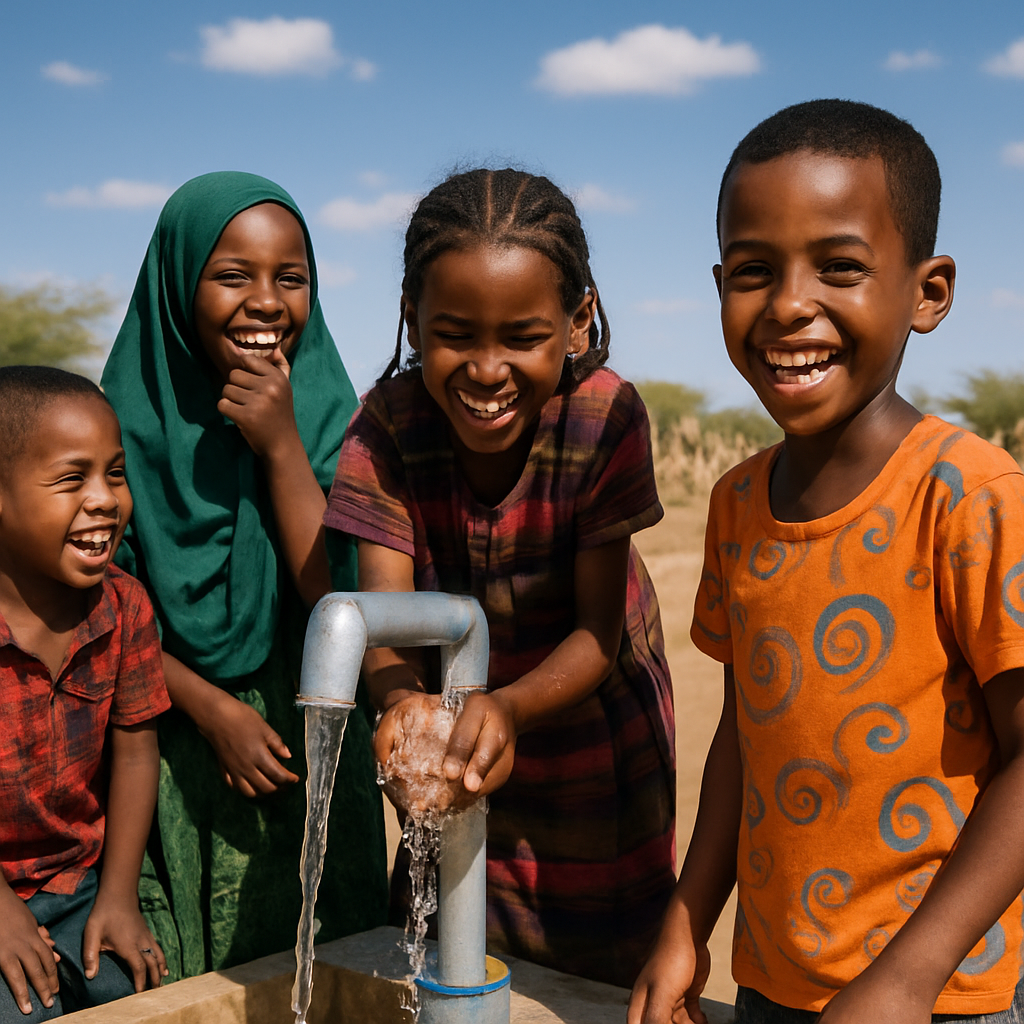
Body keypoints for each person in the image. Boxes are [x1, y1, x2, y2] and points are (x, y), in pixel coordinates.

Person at [628, 99, 1024, 1024]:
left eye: (839, 268)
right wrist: (689, 920)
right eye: (754, 271)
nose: (789, 305)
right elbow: (742, 739)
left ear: (928, 293)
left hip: (941, 1000)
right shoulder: (736, 504)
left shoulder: (969, 495)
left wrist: (905, 980)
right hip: (774, 985)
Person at [325, 167, 677, 988]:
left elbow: (598, 630)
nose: (487, 371)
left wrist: (508, 707)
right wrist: (404, 706)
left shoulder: (603, 420)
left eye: (522, 337)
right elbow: (385, 619)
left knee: (596, 969)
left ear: (577, 321)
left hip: (589, 728)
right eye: (454, 334)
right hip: (455, 725)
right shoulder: (388, 427)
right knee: (446, 952)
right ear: (412, 318)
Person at [101, 172, 388, 980]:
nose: (266, 300)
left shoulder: (341, 420)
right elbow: (95, 619)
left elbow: (335, 597)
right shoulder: (111, 429)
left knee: (332, 970)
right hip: (167, 750)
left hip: (315, 740)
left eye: (290, 278)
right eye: (232, 275)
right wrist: (210, 708)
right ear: (176, 281)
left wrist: (282, 444)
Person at [0, 366, 170, 1021]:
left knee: (131, 994)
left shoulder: (123, 609)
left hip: (76, 881)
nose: (105, 499)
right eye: (73, 479)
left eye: (115, 473)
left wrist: (119, 896)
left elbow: (134, 753)